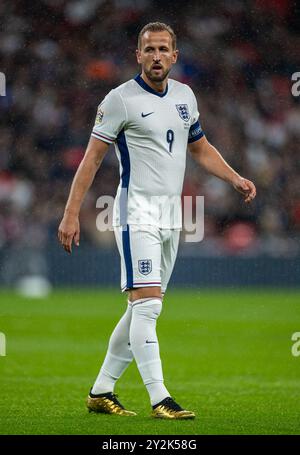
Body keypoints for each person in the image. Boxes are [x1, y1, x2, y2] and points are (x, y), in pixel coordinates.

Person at [58, 22, 256, 419]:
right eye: (149, 49)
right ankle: (160, 398)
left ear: (175, 56)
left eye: (164, 49)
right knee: (147, 306)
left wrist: (234, 177)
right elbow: (92, 159)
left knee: (142, 309)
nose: (157, 56)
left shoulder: (185, 96)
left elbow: (200, 149)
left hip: (171, 217)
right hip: (136, 213)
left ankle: (101, 391)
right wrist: (70, 213)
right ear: (138, 55)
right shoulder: (120, 100)